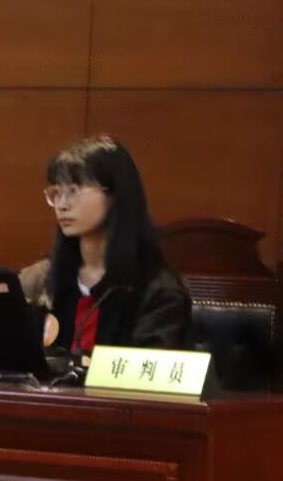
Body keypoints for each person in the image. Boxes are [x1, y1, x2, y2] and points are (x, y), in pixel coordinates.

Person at [20, 136, 191, 358]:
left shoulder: (158, 290)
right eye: (56, 193)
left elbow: (153, 370)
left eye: (73, 191)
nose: (62, 204)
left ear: (115, 195)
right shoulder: (39, 280)